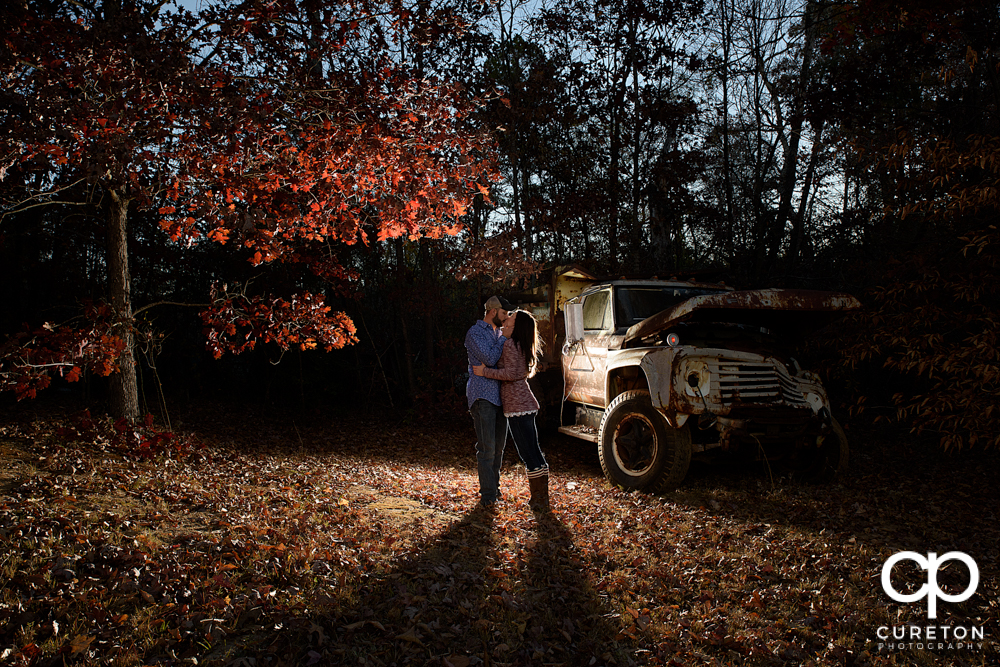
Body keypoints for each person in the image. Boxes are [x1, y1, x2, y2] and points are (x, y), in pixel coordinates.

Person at [473, 309, 550, 511]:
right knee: (533, 451)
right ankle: (541, 498)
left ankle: (540, 499)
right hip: (523, 405)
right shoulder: (517, 344)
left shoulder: (510, 344)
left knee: (528, 453)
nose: (506, 322)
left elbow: (513, 373)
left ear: (517, 328)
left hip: (518, 407)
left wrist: (484, 372)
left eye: (511, 320)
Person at [465, 295, 512, 508]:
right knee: (487, 448)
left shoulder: (499, 333)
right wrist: (503, 338)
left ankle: (495, 490)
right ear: (493, 312)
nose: (505, 318)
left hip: (501, 397)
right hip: (482, 395)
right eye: (503, 314)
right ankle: (488, 496)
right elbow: (491, 359)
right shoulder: (474, 333)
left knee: (499, 448)